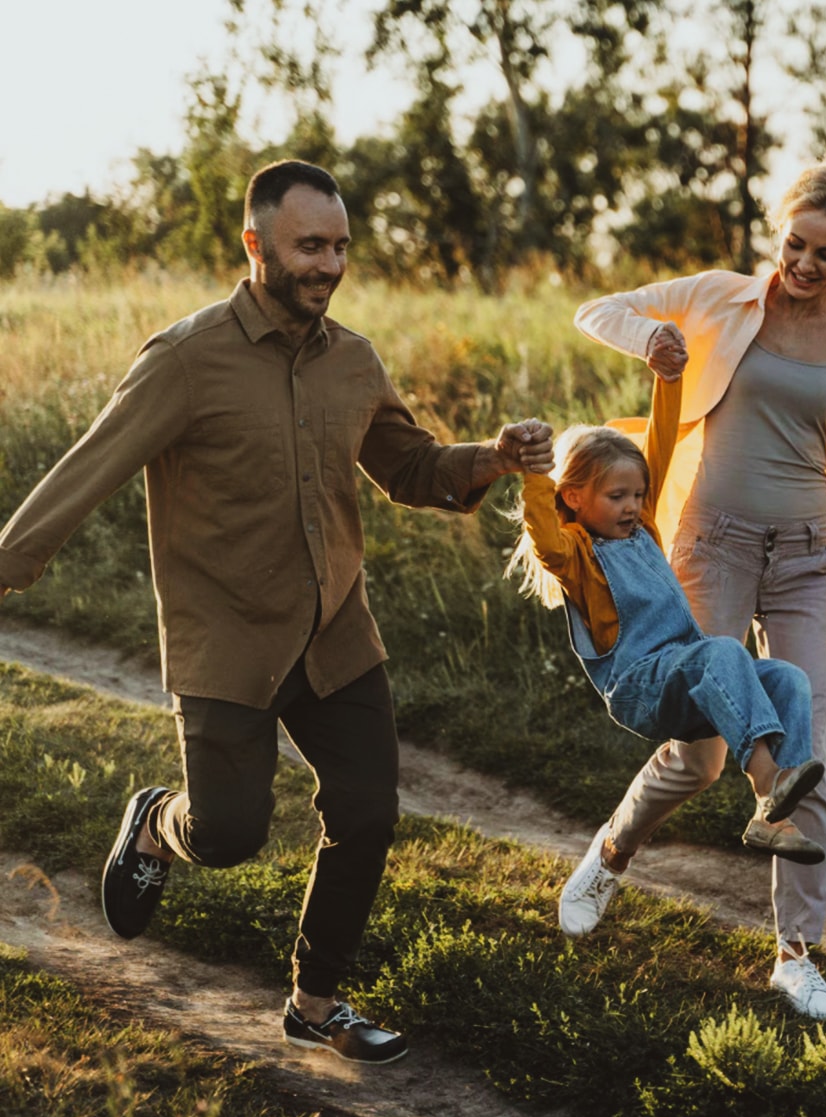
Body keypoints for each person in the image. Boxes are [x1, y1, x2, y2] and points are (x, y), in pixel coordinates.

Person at [0, 159, 553, 1064]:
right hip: (228, 637)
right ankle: (155, 824)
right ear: (255, 244)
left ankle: (315, 1001)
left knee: (369, 812)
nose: (328, 265)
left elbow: (410, 470)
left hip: (337, 629)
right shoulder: (185, 358)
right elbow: (87, 467)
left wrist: (490, 456)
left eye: (339, 246)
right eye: (309, 246)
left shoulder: (355, 361)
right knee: (227, 834)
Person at [572, 162, 826, 1020]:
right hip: (710, 544)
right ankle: (610, 851)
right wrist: (651, 342)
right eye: (794, 243)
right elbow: (598, 309)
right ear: (779, 233)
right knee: (702, 751)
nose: (804, 263)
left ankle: (795, 955)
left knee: (804, 752)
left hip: (805, 557)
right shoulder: (721, 297)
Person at [510, 377, 826, 936]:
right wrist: (534, 471)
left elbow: (658, 442)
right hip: (640, 689)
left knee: (787, 679)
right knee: (723, 652)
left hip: (684, 676)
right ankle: (766, 785)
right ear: (574, 498)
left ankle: (774, 814)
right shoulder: (578, 557)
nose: (633, 505)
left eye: (638, 494)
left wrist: (669, 377)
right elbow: (542, 531)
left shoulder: (644, 528)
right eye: (617, 497)